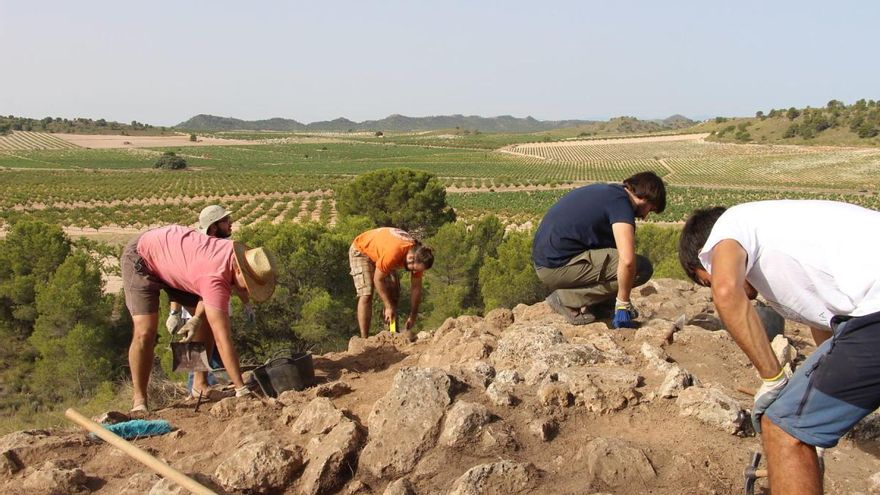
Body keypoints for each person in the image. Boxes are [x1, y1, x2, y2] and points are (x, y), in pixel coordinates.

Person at [678, 200, 880, 495]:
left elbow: (725, 291)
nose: (711, 285)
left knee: (782, 427)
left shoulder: (729, 226)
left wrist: (774, 380)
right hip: (868, 312)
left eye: (704, 280)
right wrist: (816, 404)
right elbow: (828, 328)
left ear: (705, 259)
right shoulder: (789, 235)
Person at [122, 224, 277, 412]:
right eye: (248, 283)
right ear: (238, 269)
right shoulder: (216, 276)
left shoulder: (231, 253)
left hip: (175, 261)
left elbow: (206, 292)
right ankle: (139, 401)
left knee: (204, 323)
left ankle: (199, 385)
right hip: (142, 257)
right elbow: (222, 338)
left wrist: (195, 319)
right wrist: (241, 388)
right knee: (145, 331)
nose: (246, 290)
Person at [531, 171, 666, 327]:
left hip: (548, 262)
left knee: (614, 254)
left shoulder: (609, 193)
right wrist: (623, 303)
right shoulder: (621, 205)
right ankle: (566, 299)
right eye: (650, 209)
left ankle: (601, 305)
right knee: (641, 268)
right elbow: (628, 261)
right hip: (555, 268)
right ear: (645, 198)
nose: (646, 216)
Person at [349, 227, 434, 338]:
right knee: (366, 293)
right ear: (411, 257)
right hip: (361, 250)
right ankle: (364, 340)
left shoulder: (417, 258)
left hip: (382, 253)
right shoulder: (395, 252)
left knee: (393, 293)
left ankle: (391, 334)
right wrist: (388, 306)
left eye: (416, 270)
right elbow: (377, 279)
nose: (413, 271)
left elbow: (416, 288)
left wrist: (413, 315)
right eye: (411, 267)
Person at [165, 205, 234, 335]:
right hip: (195, 316)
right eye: (225, 220)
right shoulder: (196, 251)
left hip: (218, 312)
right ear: (213, 227)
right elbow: (178, 282)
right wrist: (175, 312)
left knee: (215, 351)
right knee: (203, 352)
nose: (231, 223)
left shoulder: (226, 246)